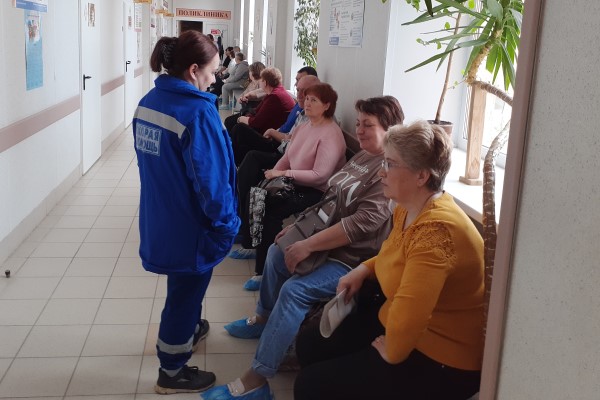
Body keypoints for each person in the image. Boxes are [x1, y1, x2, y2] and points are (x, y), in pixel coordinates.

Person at [199, 96, 405, 400]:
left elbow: (362, 223)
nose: (359, 130)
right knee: (276, 252)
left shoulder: (388, 170)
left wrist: (307, 244)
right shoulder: (363, 156)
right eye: (359, 123)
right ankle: (265, 319)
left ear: (391, 129)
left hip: (354, 258)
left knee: (295, 290)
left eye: (368, 125)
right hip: (328, 241)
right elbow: (331, 198)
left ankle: (257, 378)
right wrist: (297, 229)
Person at [293, 120, 485, 400]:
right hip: (400, 322)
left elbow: (411, 313)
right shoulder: (408, 207)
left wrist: (392, 353)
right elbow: (393, 253)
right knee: (310, 345)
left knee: (310, 386)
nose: (382, 172)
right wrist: (363, 269)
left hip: (442, 355)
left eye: (391, 164)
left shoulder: (436, 231)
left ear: (421, 176)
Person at [132, 31, 240, 394]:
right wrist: (227, 224)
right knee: (185, 292)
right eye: (212, 71)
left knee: (183, 283)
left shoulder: (149, 102)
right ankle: (172, 369)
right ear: (194, 70)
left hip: (161, 215)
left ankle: (189, 329)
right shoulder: (197, 112)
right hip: (191, 224)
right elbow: (211, 182)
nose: (215, 78)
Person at [228, 67, 296, 165]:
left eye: (261, 80)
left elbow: (256, 122)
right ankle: (234, 160)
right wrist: (246, 117)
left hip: (271, 139)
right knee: (233, 122)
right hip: (269, 130)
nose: (260, 82)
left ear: (265, 82)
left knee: (239, 128)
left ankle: (233, 162)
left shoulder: (274, 96)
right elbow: (257, 110)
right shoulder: (275, 92)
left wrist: (242, 119)